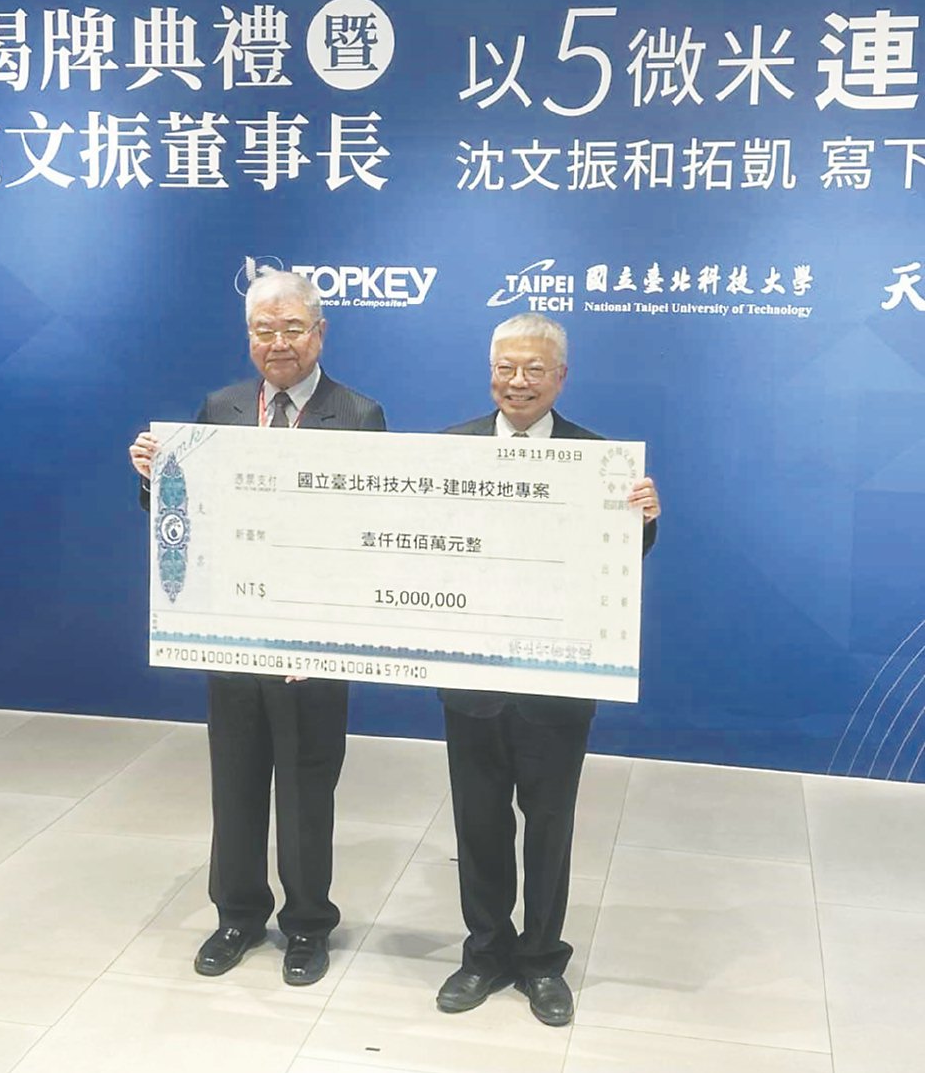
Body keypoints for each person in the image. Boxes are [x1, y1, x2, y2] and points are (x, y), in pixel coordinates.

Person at [129, 268, 385, 987]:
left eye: (292, 328)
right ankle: (237, 914)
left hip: (314, 641)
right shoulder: (223, 406)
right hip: (233, 631)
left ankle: (307, 924)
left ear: (320, 333)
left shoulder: (359, 414)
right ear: (249, 337)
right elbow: (187, 515)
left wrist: (333, 633)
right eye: (264, 330)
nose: (279, 343)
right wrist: (153, 477)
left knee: (307, 787)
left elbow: (373, 531)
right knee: (236, 781)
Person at [435, 312, 660, 1026]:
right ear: (490, 372)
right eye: (506, 367)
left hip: (558, 685)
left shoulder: (601, 460)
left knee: (549, 827)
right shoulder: (449, 451)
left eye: (534, 369)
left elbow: (616, 562)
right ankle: (484, 953)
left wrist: (643, 520)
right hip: (472, 678)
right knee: (477, 823)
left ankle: (540, 960)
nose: (518, 382)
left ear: (560, 376)